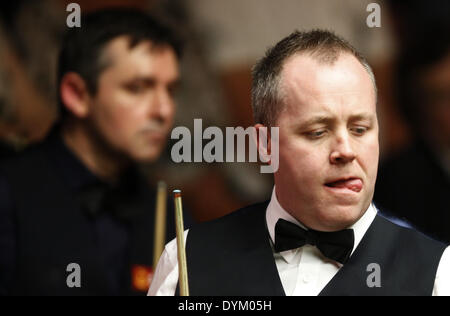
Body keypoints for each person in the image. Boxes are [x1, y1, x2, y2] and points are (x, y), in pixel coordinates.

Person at [149, 30, 450, 296]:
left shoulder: (437, 271)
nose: (346, 150)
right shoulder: (187, 258)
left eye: (360, 129)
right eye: (318, 132)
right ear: (265, 146)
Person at [0, 8, 185, 296]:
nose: (164, 110)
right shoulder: (9, 193)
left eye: (171, 90)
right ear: (77, 94)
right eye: (137, 88)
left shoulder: (169, 214)